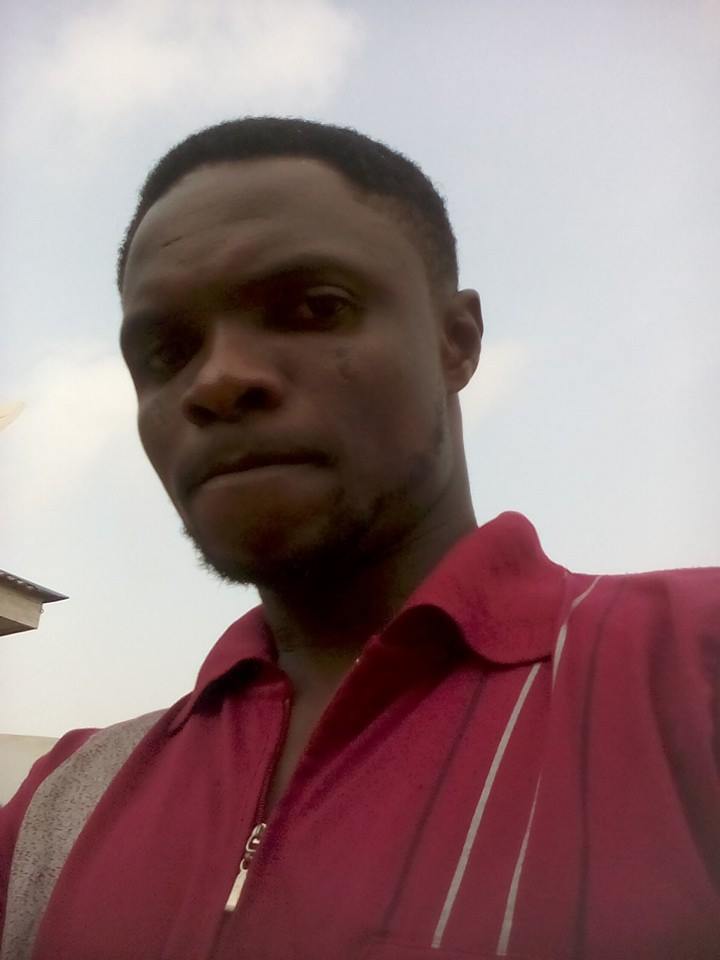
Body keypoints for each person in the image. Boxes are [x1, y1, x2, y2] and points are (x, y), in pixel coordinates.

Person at [1, 117, 718, 960]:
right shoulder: (58, 808)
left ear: (457, 342)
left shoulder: (693, 670)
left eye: (315, 307)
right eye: (166, 351)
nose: (218, 379)